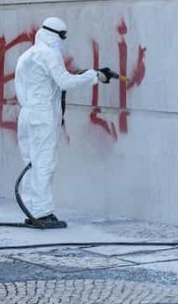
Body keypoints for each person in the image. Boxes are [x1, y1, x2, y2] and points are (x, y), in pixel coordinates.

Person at [14, 17, 118, 228]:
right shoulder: (49, 54)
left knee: (32, 163)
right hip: (42, 116)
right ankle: (42, 214)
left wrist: (92, 74)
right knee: (44, 163)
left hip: (26, 114)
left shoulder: (28, 55)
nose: (62, 42)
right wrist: (94, 76)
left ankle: (32, 210)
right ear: (56, 36)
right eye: (62, 37)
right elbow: (64, 81)